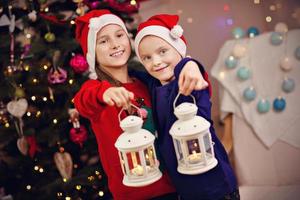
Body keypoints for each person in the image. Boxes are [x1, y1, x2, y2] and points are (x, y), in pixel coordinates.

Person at [74, 10, 207, 200]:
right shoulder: (96, 90)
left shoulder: (147, 82)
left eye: (119, 35)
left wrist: (190, 64)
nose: (115, 44)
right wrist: (105, 92)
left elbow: (180, 79)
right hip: (133, 193)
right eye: (103, 41)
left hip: (172, 185)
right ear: (91, 52)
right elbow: (83, 101)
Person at [134, 14, 239, 200]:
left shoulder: (190, 81)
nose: (156, 62)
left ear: (179, 49)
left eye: (163, 51)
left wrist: (189, 63)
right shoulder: (155, 84)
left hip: (215, 185)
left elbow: (191, 69)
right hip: (185, 188)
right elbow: (131, 73)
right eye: (147, 58)